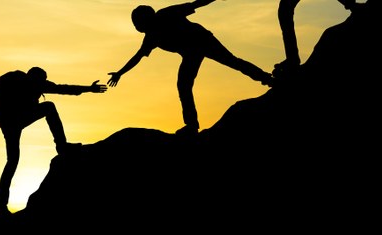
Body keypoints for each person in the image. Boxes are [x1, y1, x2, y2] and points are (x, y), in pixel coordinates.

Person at [107, 0, 275, 136]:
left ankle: (267, 79)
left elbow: (195, 4)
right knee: (184, 85)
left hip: (203, 40)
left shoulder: (165, 14)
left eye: (137, 22)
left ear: (145, 19)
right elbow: (137, 57)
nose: (137, 27)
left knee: (232, 62)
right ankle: (192, 125)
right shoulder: (151, 37)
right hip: (190, 53)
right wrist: (120, 73)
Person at [0, 66, 106, 216]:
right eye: (42, 81)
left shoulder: (37, 83)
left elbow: (63, 89)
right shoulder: (17, 87)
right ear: (33, 78)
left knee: (48, 108)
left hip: (17, 119)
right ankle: (1, 205)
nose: (42, 85)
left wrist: (89, 88)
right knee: (13, 161)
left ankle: (61, 146)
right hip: (10, 122)